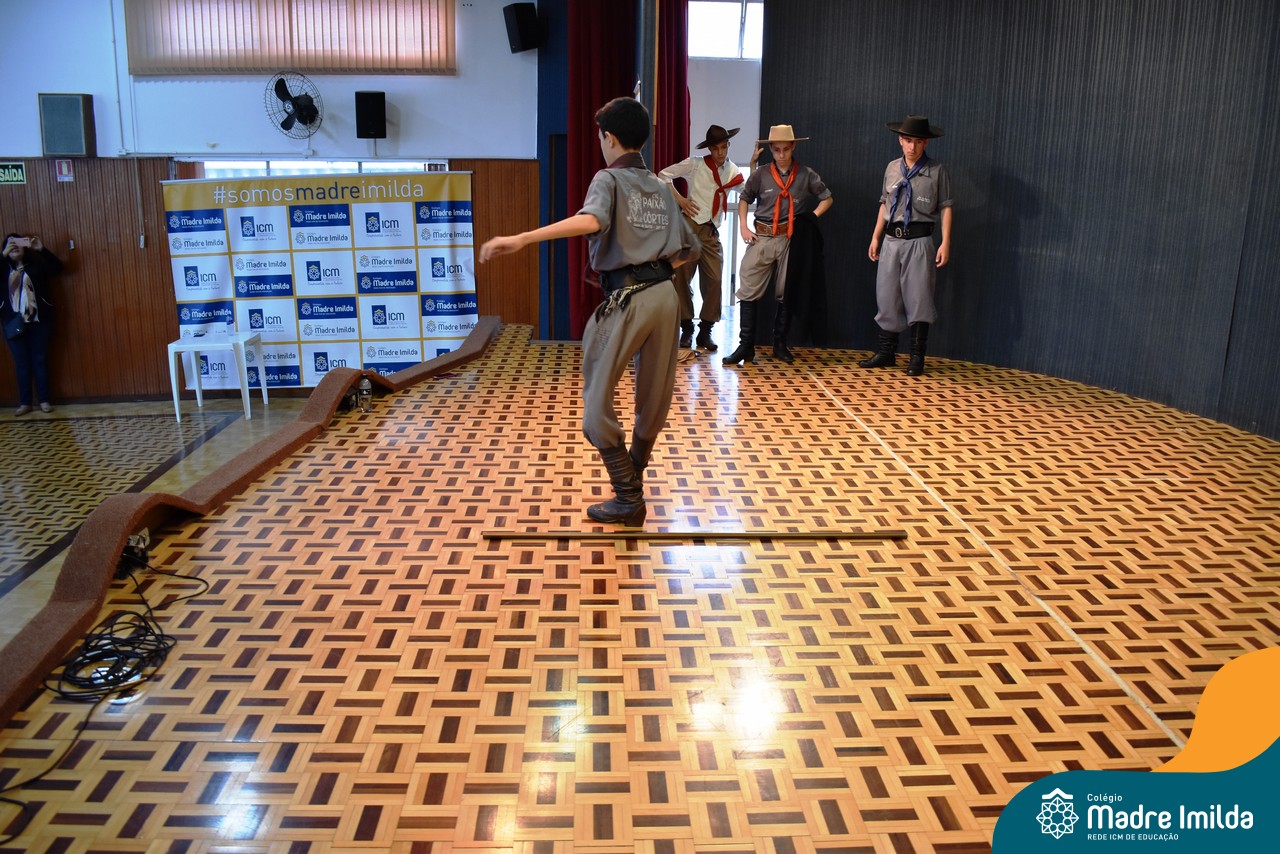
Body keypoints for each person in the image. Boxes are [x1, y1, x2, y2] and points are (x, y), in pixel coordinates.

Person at [479, 97, 699, 526]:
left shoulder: (608, 178)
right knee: (653, 399)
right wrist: (655, 267)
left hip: (630, 299)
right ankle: (631, 486)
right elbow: (688, 249)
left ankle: (628, 497)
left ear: (609, 138)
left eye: (601, 136)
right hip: (665, 296)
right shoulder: (660, 186)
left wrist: (522, 238)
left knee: (596, 402)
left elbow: (591, 221)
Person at [723, 125, 832, 365]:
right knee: (748, 286)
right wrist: (743, 226)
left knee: (786, 289)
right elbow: (744, 198)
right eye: (776, 149)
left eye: (786, 149)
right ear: (771, 149)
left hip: (789, 238)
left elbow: (827, 197)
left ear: (793, 147)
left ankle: (779, 343)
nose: (781, 154)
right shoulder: (761, 174)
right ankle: (746, 345)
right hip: (762, 236)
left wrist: (811, 218)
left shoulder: (806, 174)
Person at [862, 115, 953, 376]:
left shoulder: (936, 171)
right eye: (908, 140)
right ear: (900, 141)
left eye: (918, 141)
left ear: (926, 143)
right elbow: (885, 203)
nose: (912, 147)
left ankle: (917, 356)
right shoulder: (892, 168)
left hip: (919, 239)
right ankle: (886, 352)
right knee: (887, 294)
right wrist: (875, 236)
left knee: (919, 296)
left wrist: (945, 241)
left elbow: (946, 207)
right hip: (892, 239)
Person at [657, 124, 744, 352]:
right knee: (681, 277)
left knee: (715, 279)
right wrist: (681, 200)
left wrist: (753, 165)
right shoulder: (696, 164)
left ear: (729, 145)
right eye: (715, 148)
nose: (720, 152)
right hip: (689, 226)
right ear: (709, 149)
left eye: (723, 147)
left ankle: (705, 331)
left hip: (710, 231)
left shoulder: (733, 170)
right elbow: (663, 175)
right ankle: (686, 327)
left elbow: (748, 191)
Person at [3, 233, 63, 415]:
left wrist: (41, 249)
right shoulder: (3, 269)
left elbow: (57, 268)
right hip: (13, 322)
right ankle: (25, 403)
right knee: (22, 362)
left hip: (39, 321)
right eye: (10, 245)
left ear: (25, 246)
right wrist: (3, 255)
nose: (14, 247)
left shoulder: (36, 265)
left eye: (18, 243)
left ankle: (44, 400)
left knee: (39, 359)